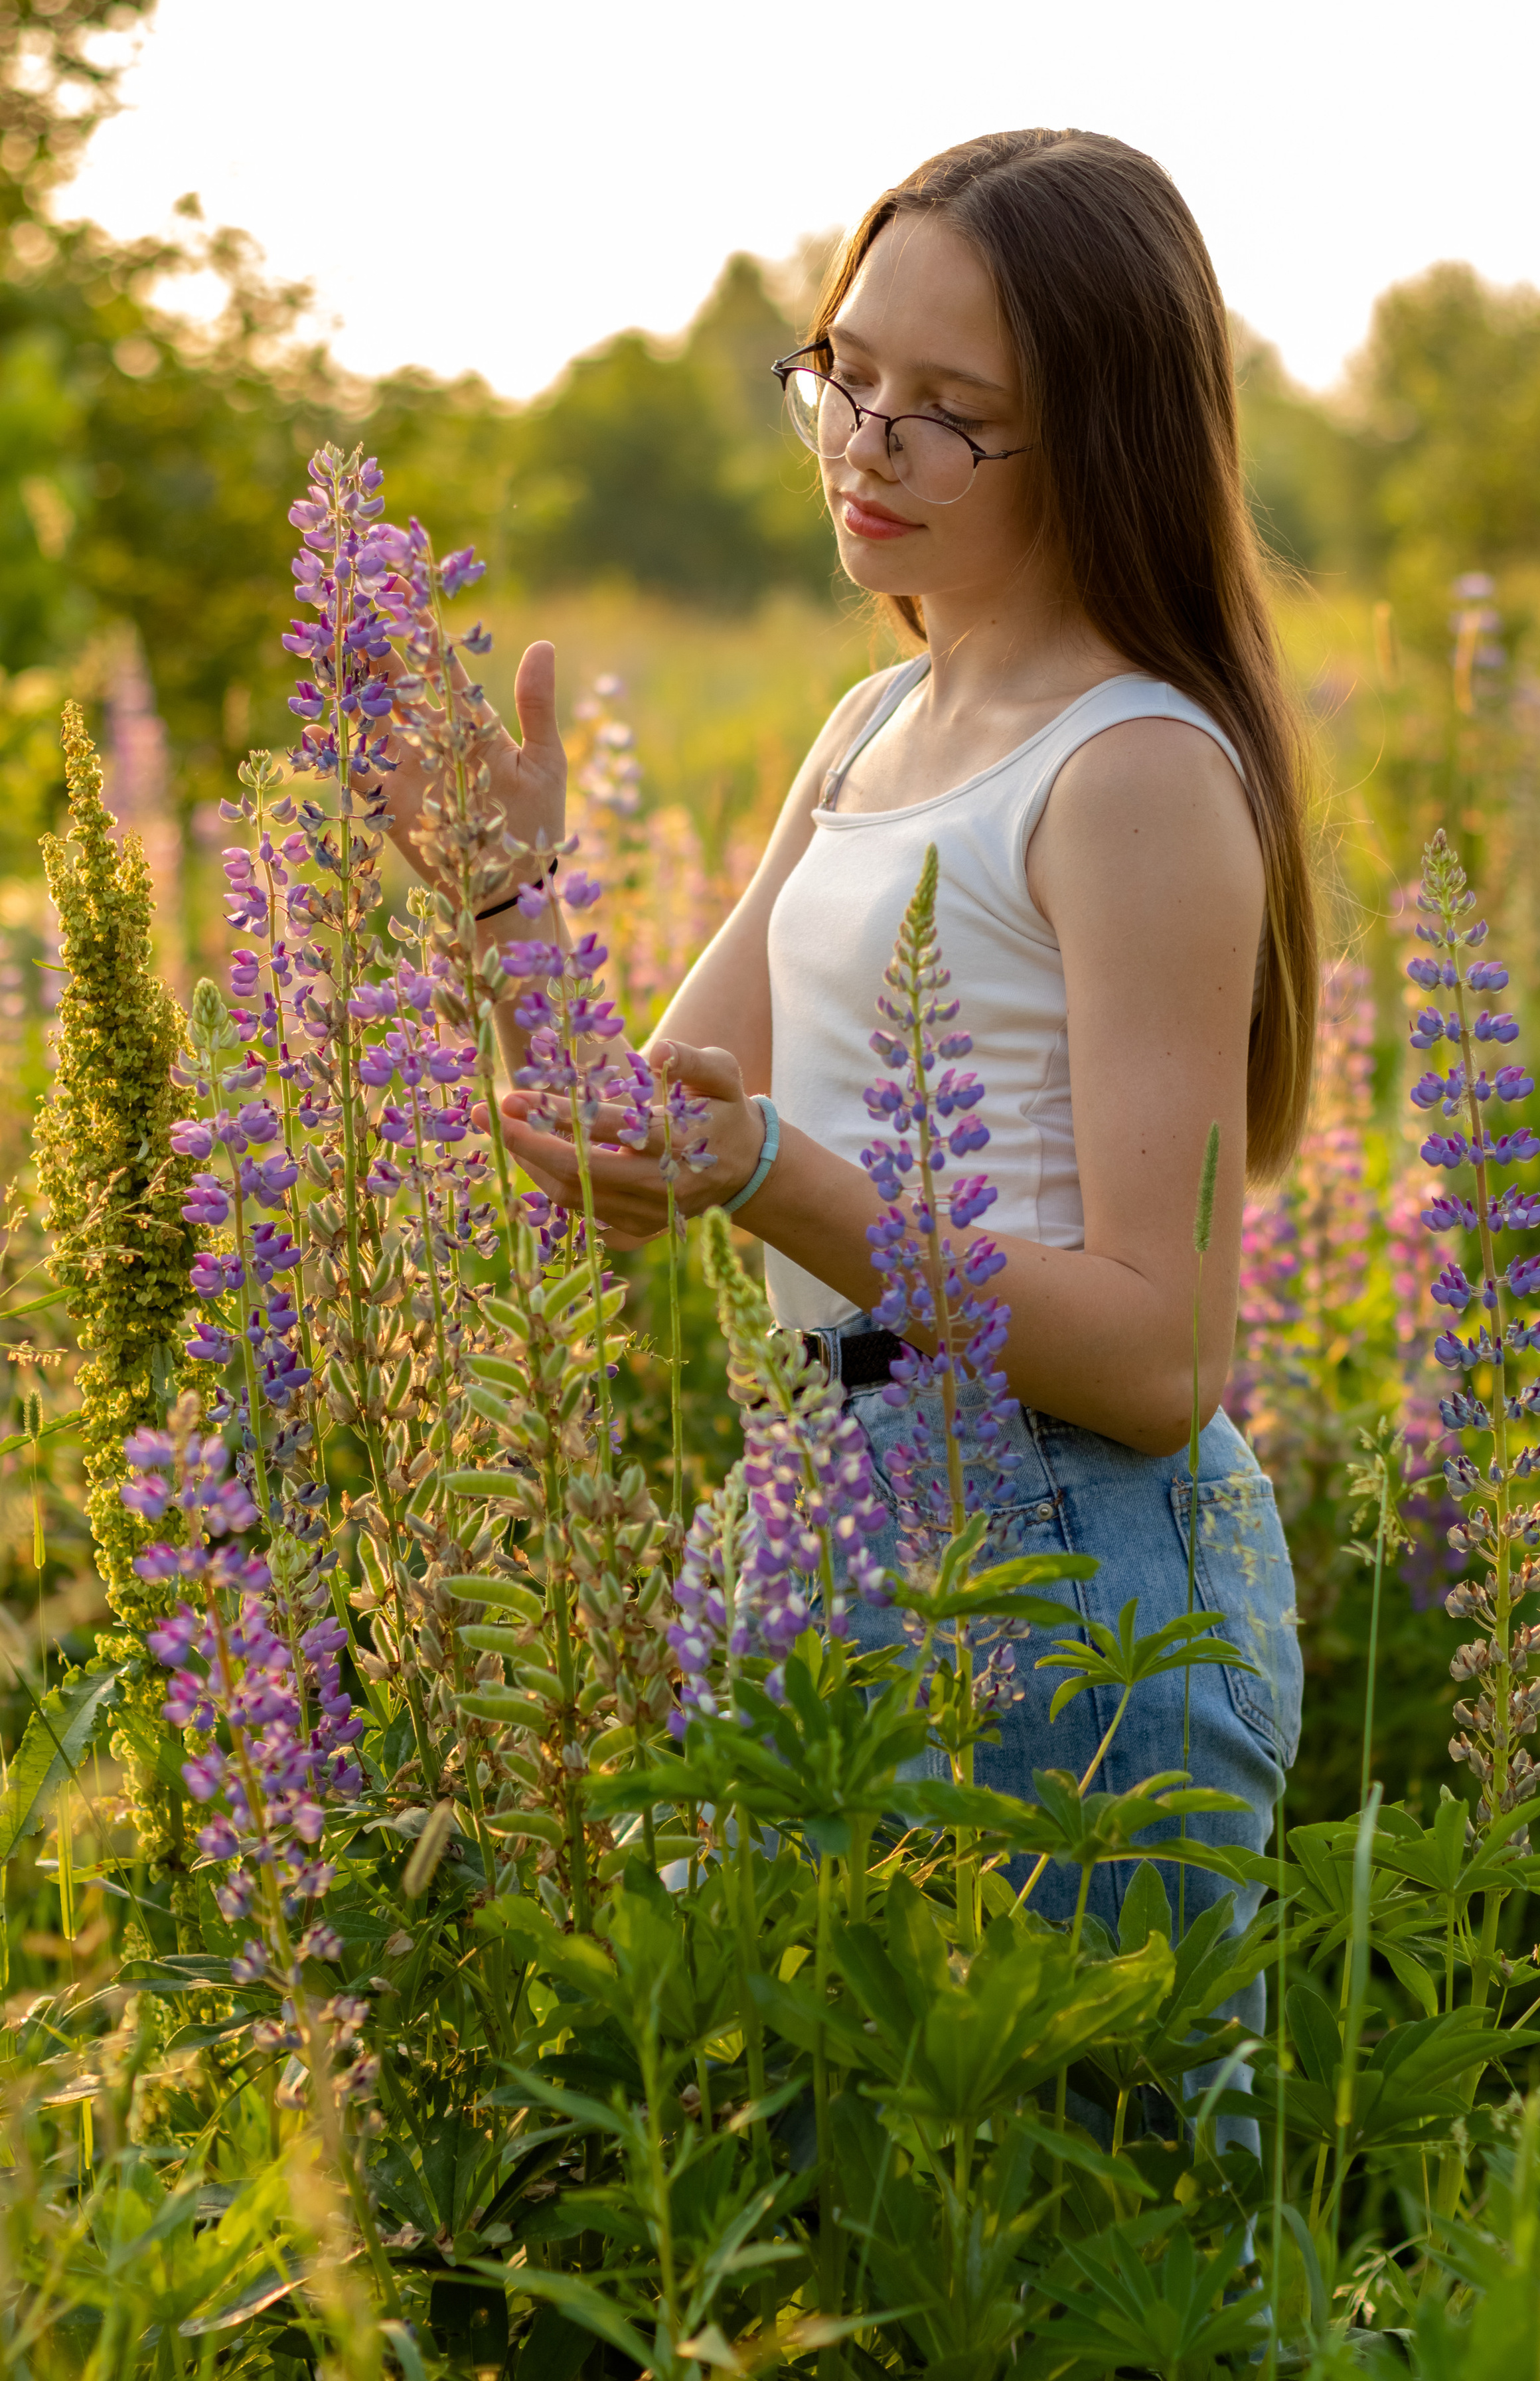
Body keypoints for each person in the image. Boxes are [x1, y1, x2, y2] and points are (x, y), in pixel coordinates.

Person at [390, 129, 1310, 2022]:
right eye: (847, 373)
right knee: (825, 2194)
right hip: (825, 1490)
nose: (864, 445)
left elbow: (1159, 1355)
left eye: (948, 411)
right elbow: (627, 1158)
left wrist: (774, 1174)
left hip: (1064, 1547)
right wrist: (502, 900)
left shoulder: (1130, 771)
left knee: (1064, 2224)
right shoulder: (875, 722)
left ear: (1106, 439)